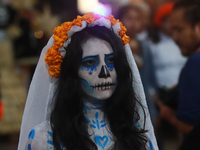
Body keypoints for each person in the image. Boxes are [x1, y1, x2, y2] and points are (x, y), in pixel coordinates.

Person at [17, 13, 158, 150]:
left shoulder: (138, 136)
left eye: (111, 61)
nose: (105, 73)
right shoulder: (44, 138)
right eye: (90, 62)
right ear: (71, 71)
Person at [159, 0, 200, 135]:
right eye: (173, 30)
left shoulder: (196, 62)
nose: (175, 38)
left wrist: (168, 114)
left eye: (179, 29)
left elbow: (189, 126)